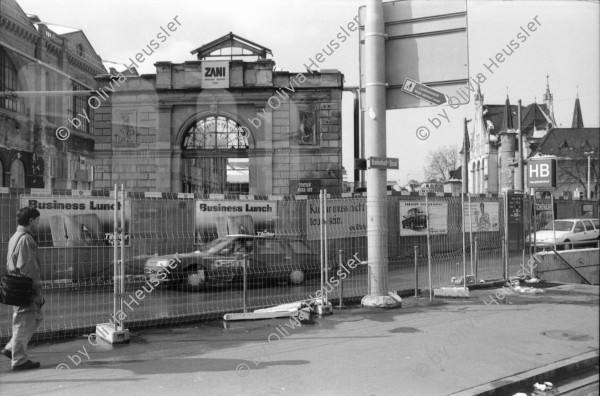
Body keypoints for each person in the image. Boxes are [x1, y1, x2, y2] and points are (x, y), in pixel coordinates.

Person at [1, 207, 44, 370]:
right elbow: (29, 269)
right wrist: (37, 292)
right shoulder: (26, 239)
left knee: (34, 318)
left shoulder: (15, 237)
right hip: (25, 287)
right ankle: (18, 360)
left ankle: (12, 347)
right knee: (24, 321)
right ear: (31, 221)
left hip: (16, 285)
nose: (39, 224)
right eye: (38, 221)